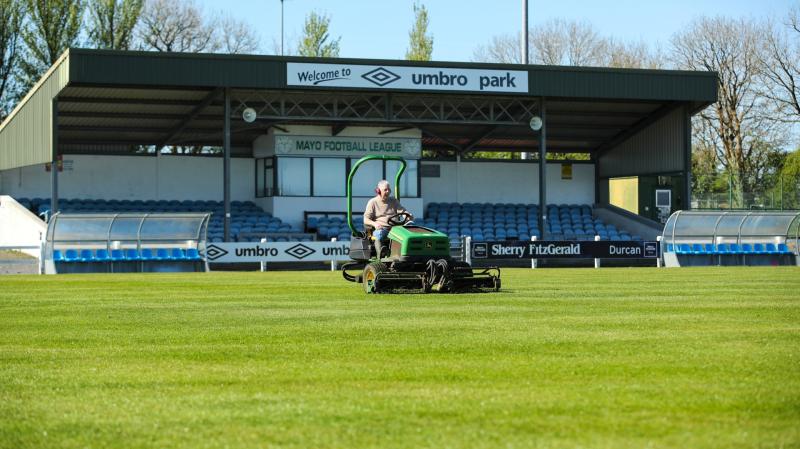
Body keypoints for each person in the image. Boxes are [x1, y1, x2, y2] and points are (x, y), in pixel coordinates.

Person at [363, 180, 414, 257]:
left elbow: (402, 211)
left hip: (395, 229)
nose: (388, 192)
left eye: (389, 189)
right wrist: (375, 224)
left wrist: (407, 215)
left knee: (410, 230)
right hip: (382, 229)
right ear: (378, 191)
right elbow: (366, 219)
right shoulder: (372, 202)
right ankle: (381, 254)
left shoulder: (393, 200)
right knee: (379, 234)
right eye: (385, 190)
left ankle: (409, 254)